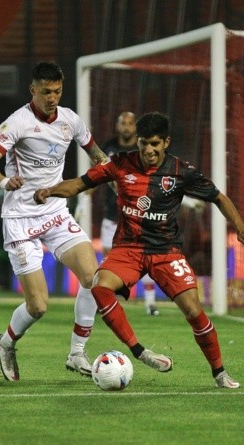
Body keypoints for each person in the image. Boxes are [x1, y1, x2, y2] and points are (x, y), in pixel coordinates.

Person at [34, 111, 244, 388]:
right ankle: (139, 352)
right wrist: (50, 190)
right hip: (128, 248)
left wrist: (241, 229)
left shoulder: (180, 171)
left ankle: (219, 373)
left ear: (166, 142)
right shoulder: (120, 163)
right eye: (144, 143)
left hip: (166, 252)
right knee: (99, 285)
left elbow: (218, 197)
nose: (148, 149)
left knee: (193, 310)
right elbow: (80, 184)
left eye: (155, 143)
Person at [0, 61, 113, 381]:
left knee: (94, 279)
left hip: (54, 212)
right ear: (32, 90)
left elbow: (98, 155)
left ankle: (77, 353)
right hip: (20, 219)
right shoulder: (16, 124)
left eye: (57, 91)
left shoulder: (70, 120)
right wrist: (2, 182)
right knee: (38, 306)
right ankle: (6, 342)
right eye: (46, 92)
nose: (52, 98)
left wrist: (114, 174)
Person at [100, 111, 160, 316]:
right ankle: (109, 301)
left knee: (144, 256)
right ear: (118, 126)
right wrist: (84, 197)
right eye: (123, 123)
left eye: (130, 123)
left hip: (137, 213)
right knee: (109, 259)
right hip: (111, 212)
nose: (126, 127)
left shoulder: (143, 148)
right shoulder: (108, 147)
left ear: (135, 127)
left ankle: (150, 303)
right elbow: (97, 174)